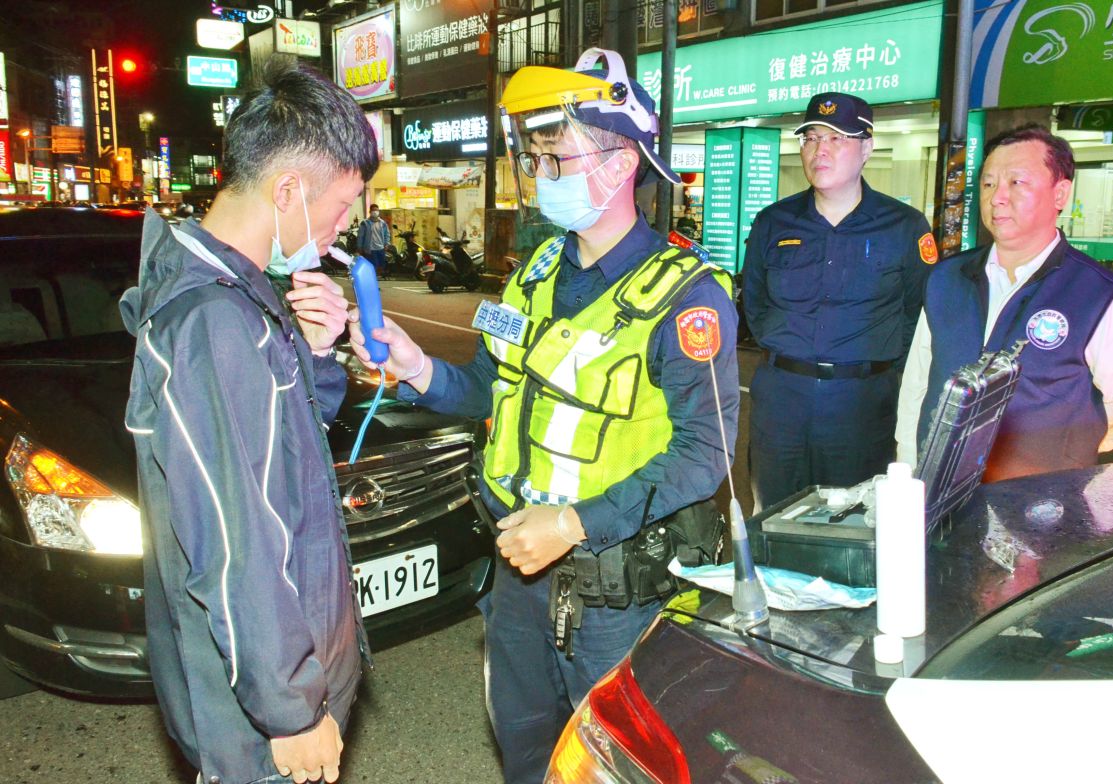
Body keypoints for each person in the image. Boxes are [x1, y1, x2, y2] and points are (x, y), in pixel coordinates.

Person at [348, 49, 738, 783]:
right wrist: (418, 367)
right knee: (526, 752)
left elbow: (703, 455)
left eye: (558, 158)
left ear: (622, 166)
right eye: (536, 158)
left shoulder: (689, 297)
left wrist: (573, 523)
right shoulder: (533, 275)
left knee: (612, 764)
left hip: (613, 593)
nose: (543, 174)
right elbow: (490, 387)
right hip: (518, 573)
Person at [120, 56, 377, 784]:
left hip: (283, 689)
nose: (344, 226)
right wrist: (290, 709)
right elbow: (235, 541)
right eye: (342, 204)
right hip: (261, 728)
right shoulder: (213, 321)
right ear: (287, 189)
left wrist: (318, 353)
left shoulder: (242, 295)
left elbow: (289, 450)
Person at [896, 124, 1113, 482]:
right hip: (941, 487)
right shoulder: (947, 278)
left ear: (1060, 194)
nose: (997, 198)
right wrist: (909, 465)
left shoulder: (1099, 294)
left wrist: (1062, 448)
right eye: (988, 184)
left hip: (1041, 498)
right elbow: (918, 381)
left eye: (1016, 182)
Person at [741, 92, 936, 512]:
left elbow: (917, 312)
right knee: (774, 517)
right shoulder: (773, 222)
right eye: (811, 138)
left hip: (861, 405)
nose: (820, 150)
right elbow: (755, 303)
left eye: (836, 138)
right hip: (782, 401)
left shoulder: (903, 226)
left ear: (867, 148)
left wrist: (872, 365)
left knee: (852, 523)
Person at [357, 203, 391, 278]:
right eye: (373, 210)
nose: (375, 212)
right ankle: (372, 281)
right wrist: (359, 247)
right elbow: (360, 236)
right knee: (373, 266)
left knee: (380, 267)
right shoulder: (365, 223)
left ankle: (376, 279)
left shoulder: (382, 223)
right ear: (370, 211)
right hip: (370, 249)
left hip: (380, 248)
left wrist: (387, 244)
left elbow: (387, 234)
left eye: (377, 210)